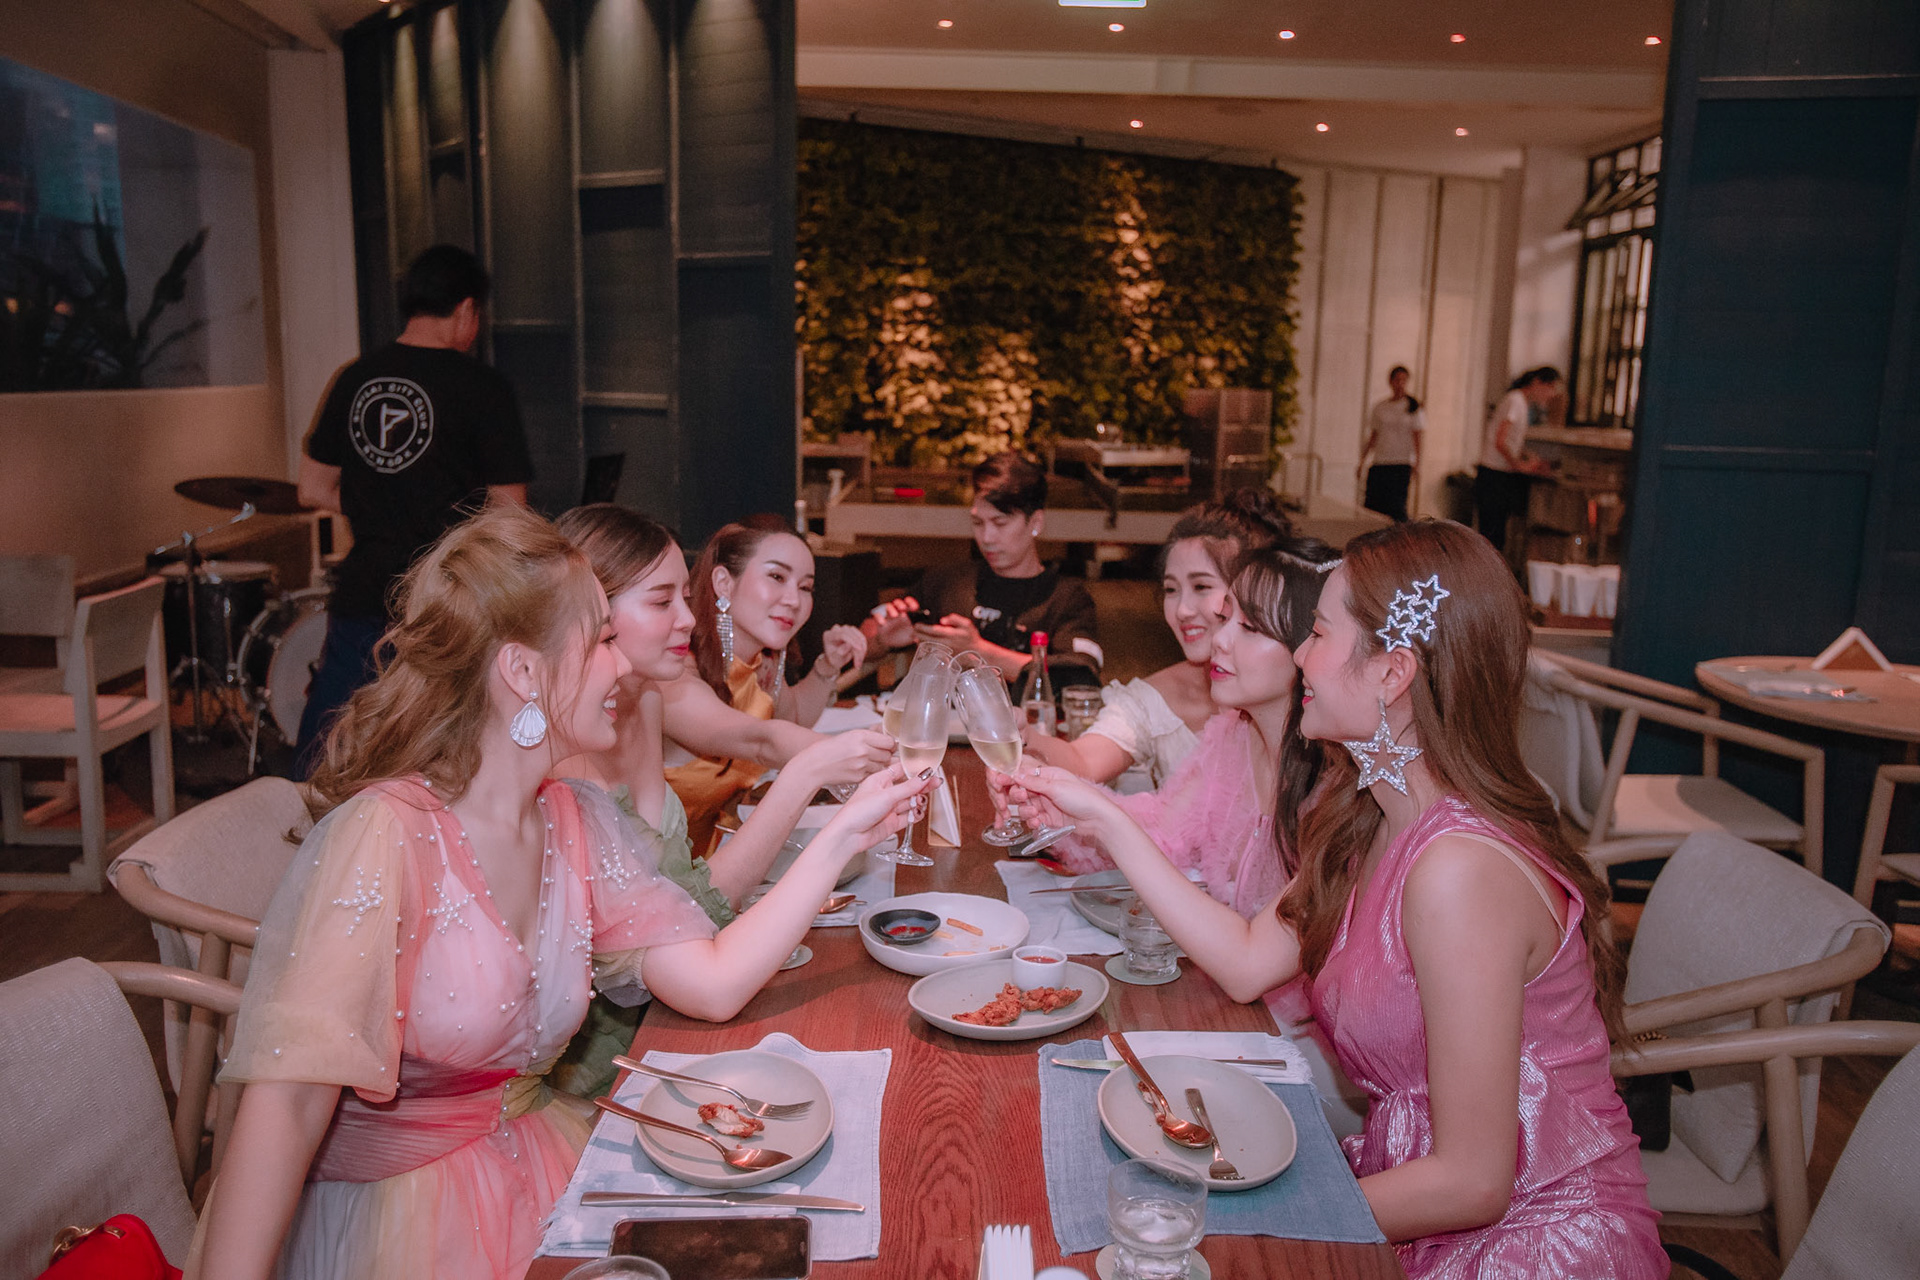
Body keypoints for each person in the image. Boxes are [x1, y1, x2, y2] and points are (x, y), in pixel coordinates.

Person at [188, 505, 927, 1280]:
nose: (621, 667)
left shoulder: (573, 818)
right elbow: (287, 1109)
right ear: (522, 671)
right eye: (603, 641)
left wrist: (845, 835)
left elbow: (711, 983)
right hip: (397, 1217)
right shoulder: (386, 835)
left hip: (531, 1154)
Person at [1010, 520, 1663, 1279]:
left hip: (1530, 1245)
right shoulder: (1368, 817)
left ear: (1393, 673)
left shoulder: (1458, 869)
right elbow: (1248, 962)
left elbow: (1475, 1182)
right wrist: (1106, 820)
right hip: (1402, 1201)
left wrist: (1242, 1218)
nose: (1299, 656)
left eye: (1317, 634)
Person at [1004, 537, 1336, 932]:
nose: (1219, 639)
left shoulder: (1335, 787)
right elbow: (1166, 829)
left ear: (1308, 646)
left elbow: (1264, 955)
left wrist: (1096, 816)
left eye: (1249, 627)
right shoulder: (1231, 737)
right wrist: (1063, 813)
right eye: (1225, 618)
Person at [293, 244, 533, 777]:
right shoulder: (482, 388)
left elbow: (311, 488)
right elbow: (509, 510)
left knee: (329, 749)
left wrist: (376, 502)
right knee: (442, 752)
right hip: (447, 599)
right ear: (466, 310)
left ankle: (304, 828)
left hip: (364, 592)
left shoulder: (353, 378)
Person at [1023, 488, 1294, 792]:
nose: (1182, 610)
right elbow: (1083, 761)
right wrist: (1025, 737)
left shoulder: (1298, 693)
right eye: (1171, 590)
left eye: (1201, 587)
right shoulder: (1154, 698)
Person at [659, 522, 870, 854]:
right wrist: (865, 758)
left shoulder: (760, 664)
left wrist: (828, 666)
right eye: (777, 577)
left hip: (712, 862)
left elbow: (794, 719)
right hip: (653, 869)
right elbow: (761, 741)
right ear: (724, 583)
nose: (794, 600)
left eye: (805, 587)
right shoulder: (674, 672)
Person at [865, 452, 1100, 685]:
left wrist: (977, 651)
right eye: (978, 523)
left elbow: (1081, 675)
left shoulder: (1066, 599)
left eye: (1000, 523)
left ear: (1035, 523)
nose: (986, 538)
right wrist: (881, 639)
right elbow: (866, 634)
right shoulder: (947, 581)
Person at [1474, 366, 1559, 557]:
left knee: (1497, 534)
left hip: (1500, 474)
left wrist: (1529, 458)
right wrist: (1519, 465)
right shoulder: (1515, 400)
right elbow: (1500, 441)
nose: (1551, 394)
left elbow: (1510, 442)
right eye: (1550, 387)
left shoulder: (1521, 403)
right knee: (1492, 536)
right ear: (1536, 382)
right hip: (1494, 474)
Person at [1357, 365, 1427, 523]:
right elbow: (1374, 436)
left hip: (1401, 462)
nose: (1400, 384)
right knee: (1373, 504)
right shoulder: (1381, 407)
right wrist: (1362, 460)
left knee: (1396, 506)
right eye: (1397, 380)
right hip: (1381, 460)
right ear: (1391, 381)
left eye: (1404, 380)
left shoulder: (1412, 407)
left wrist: (1417, 462)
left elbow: (1417, 436)